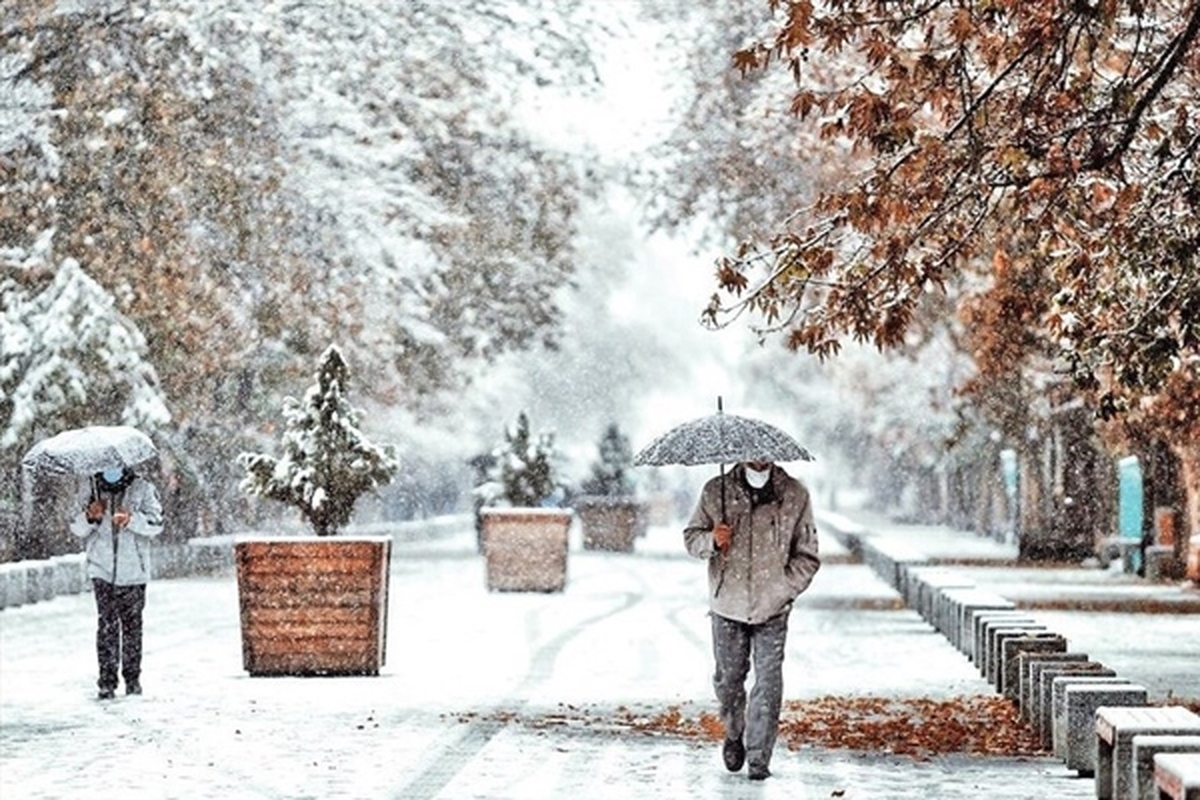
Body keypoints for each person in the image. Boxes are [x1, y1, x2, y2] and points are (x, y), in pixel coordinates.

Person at [683, 459, 821, 781]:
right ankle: (734, 732)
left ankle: (759, 756)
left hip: (773, 608)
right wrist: (712, 541)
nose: (757, 457)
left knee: (768, 683)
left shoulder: (795, 495)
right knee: (729, 681)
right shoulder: (716, 490)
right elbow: (692, 537)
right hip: (727, 604)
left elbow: (808, 555)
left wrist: (785, 588)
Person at [69, 466, 164, 700]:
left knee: (132, 627)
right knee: (107, 626)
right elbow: (76, 527)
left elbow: (156, 523)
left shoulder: (142, 488)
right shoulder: (90, 488)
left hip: (134, 572)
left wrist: (132, 519)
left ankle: (132, 679)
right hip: (101, 570)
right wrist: (91, 516)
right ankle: (107, 681)